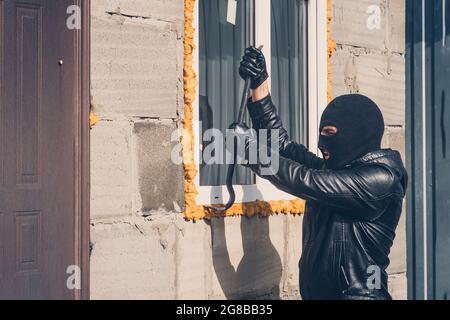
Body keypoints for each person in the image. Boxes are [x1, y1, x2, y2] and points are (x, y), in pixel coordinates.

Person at [236, 46, 408, 300]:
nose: (320, 143)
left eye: (329, 133)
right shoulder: (336, 172)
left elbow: (306, 181)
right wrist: (259, 87)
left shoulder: (381, 181)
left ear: (354, 136)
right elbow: (283, 147)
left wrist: (250, 151)